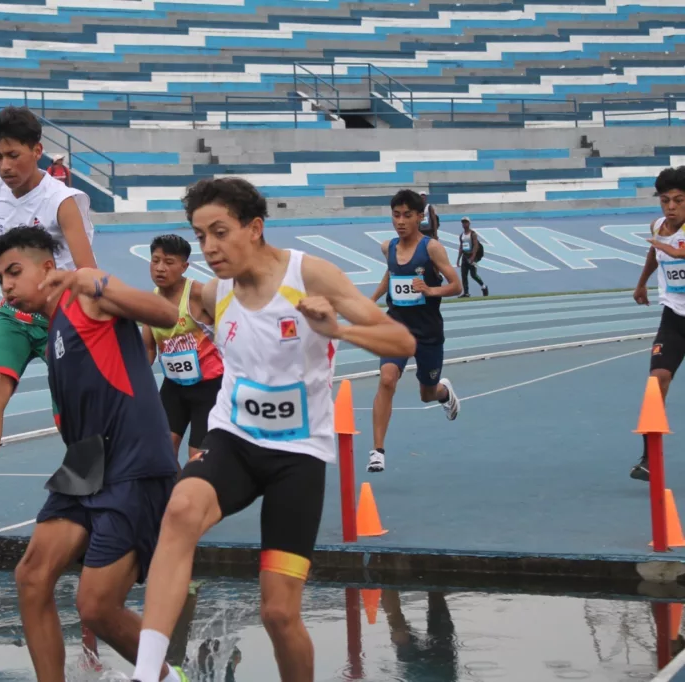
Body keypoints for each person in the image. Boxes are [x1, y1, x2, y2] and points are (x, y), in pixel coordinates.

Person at [130, 178, 416, 682]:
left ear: (255, 228)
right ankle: (147, 673)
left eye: (220, 232)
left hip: (297, 456)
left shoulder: (309, 274)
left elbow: (401, 341)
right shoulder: (213, 293)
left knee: (279, 614)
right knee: (179, 510)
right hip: (234, 440)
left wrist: (337, 330)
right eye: (200, 236)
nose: (209, 248)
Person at [0, 226, 188, 682]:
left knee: (96, 606)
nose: (7, 286)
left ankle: (167, 678)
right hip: (85, 464)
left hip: (134, 462)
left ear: (47, 267)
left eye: (14, 272)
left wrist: (90, 279)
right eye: (0, 279)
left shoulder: (87, 296)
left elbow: (165, 313)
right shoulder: (53, 328)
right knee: (32, 576)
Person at [0, 106, 96, 523]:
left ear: (37, 151)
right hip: (14, 314)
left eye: (13, 155)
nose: (4, 166)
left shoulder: (64, 202)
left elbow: (89, 272)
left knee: (69, 410)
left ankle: (90, 486)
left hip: (61, 316)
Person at [367, 189, 463, 473]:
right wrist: (371, 300)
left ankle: (444, 393)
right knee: (387, 379)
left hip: (427, 330)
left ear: (419, 217)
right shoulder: (388, 247)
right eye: (396, 215)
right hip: (396, 325)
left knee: (427, 393)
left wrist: (430, 290)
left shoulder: (432, 248)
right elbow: (391, 274)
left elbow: (456, 286)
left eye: (407, 215)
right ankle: (377, 451)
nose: (400, 221)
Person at [141, 234, 224, 470]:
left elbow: (232, 332)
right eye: (155, 260)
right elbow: (148, 348)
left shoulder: (200, 295)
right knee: (162, 451)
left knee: (197, 459)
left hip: (209, 387)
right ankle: (177, 491)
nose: (160, 268)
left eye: (169, 262)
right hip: (174, 387)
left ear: (184, 266)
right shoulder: (151, 301)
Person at [630, 166, 685, 481]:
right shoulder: (658, 226)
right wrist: (642, 284)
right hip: (674, 317)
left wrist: (670, 249)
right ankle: (649, 458)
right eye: (665, 201)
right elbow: (654, 252)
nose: (671, 207)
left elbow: (677, 253)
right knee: (657, 380)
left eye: (678, 200)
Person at [456, 217, 489, 298]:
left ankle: (484, 286)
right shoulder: (462, 235)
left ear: (469, 223)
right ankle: (466, 292)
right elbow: (461, 247)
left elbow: (475, 246)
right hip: (465, 256)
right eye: (463, 222)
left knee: (473, 275)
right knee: (463, 275)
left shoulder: (473, 234)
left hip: (472, 256)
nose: (464, 224)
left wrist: (473, 257)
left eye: (466, 222)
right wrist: (458, 259)